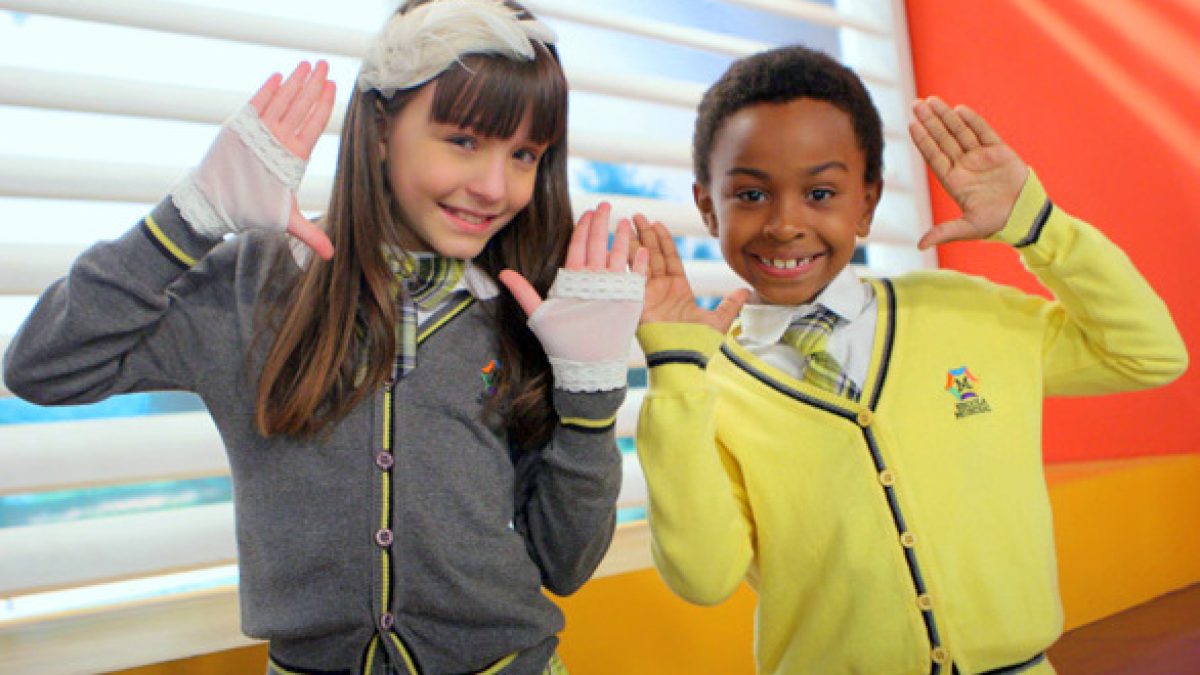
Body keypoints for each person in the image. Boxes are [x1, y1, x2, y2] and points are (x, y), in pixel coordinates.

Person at [2, 1, 648, 673]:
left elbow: (565, 564)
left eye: (524, 155)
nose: (494, 186)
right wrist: (190, 215)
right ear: (380, 129)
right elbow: (43, 366)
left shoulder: (525, 313)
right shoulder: (252, 286)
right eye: (464, 140)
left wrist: (591, 396)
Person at [631, 45, 1187, 674]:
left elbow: (1147, 355)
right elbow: (703, 577)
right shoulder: (700, 387)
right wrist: (674, 374)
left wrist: (1039, 226)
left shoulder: (964, 312)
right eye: (752, 194)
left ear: (867, 202)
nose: (785, 223)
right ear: (708, 207)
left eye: (821, 191)